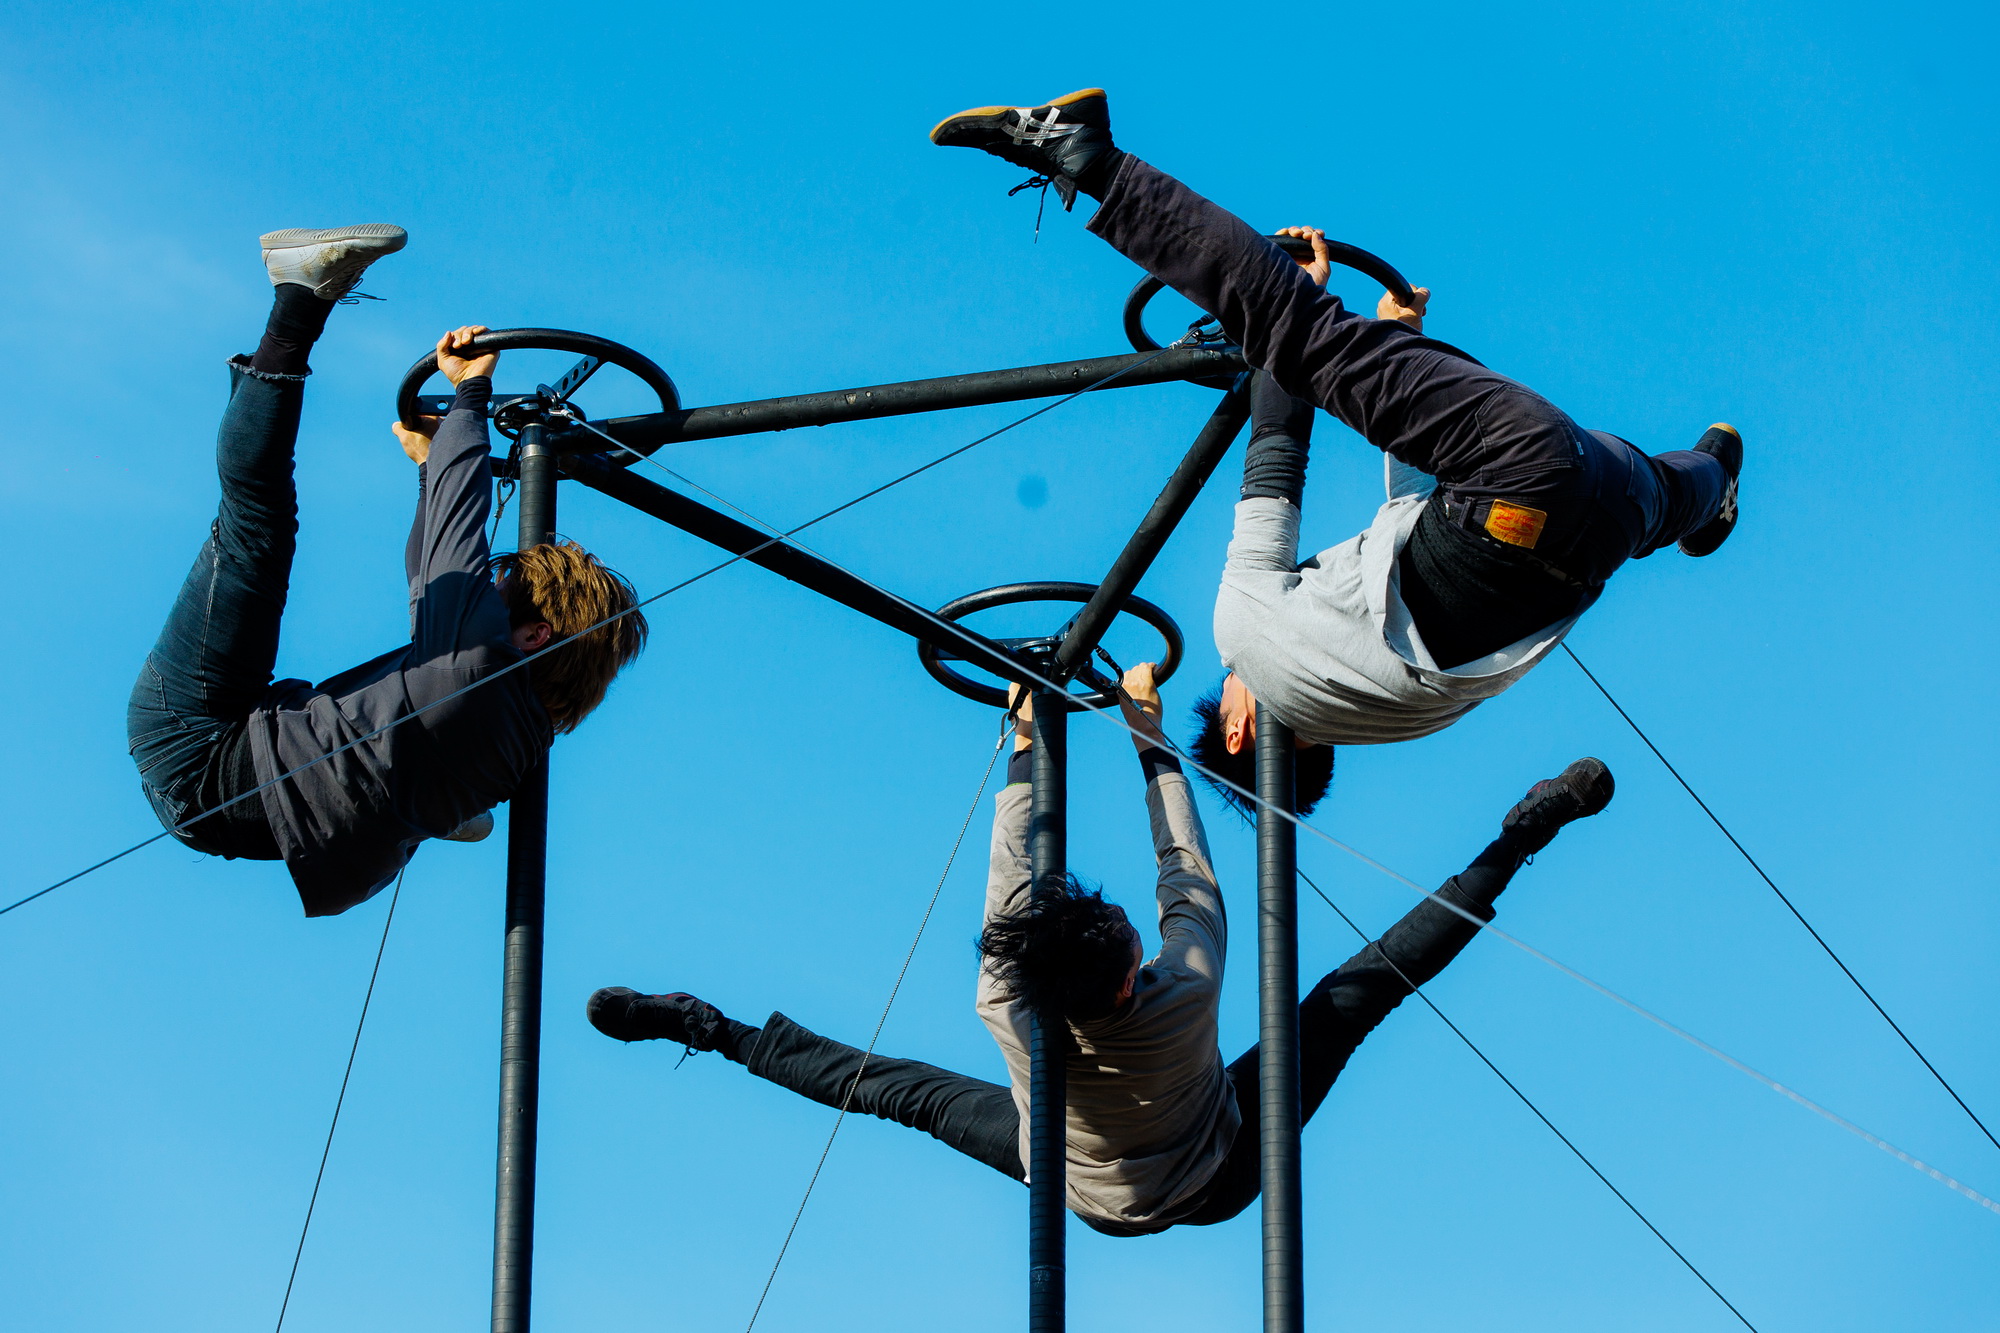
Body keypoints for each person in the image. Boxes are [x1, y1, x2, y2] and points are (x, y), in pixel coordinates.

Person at [585, 662, 1615, 1236]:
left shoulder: (1012, 1007)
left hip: (1076, 1182)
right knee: (1357, 990)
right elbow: (1185, 871)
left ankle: (708, 1030)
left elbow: (1008, 901)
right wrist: (1143, 733)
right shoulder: (1187, 987)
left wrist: (1029, 746)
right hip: (1215, 1173)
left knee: (893, 1088)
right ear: (1131, 970)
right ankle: (1516, 839)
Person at [928, 90, 1742, 814]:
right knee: (1291, 329)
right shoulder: (1247, 641)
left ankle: (1713, 486)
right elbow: (1276, 454)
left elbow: (1414, 514)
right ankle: (1082, 155)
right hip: (1507, 477)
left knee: (1665, 495)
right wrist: (1303, 305)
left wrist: (1394, 339)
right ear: (1240, 728)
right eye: (1225, 696)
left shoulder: (1389, 714)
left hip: (1596, 522)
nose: (1228, 680)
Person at [126, 226, 648, 917]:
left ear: (533, 635)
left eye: (501, 592)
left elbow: (456, 540)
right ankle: (422, 804)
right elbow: (430, 580)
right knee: (426, 691)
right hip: (261, 809)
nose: (487, 587)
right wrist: (431, 467)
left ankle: (298, 297)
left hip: (191, 741)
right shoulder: (522, 741)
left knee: (256, 525)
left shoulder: (476, 665)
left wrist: (470, 398)